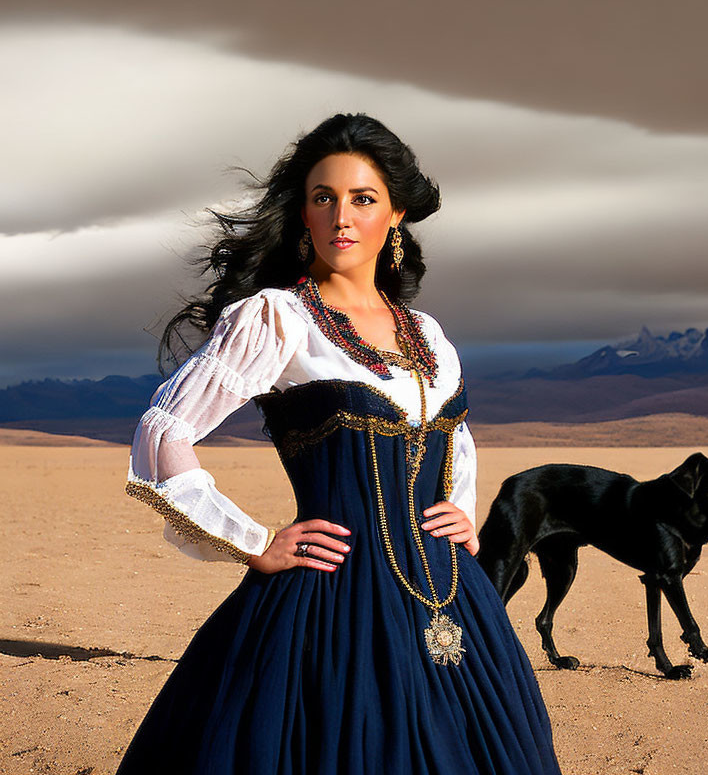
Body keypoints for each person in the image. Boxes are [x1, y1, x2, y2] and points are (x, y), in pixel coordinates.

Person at [117, 113, 564, 774]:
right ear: (303, 214)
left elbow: (453, 432)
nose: (340, 218)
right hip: (331, 601)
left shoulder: (427, 333)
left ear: (397, 214)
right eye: (323, 198)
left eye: (362, 198)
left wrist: (462, 510)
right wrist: (252, 540)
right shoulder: (277, 319)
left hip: (451, 594)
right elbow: (164, 428)